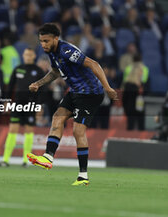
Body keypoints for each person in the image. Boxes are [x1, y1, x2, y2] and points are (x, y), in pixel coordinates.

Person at [27, 23, 117, 186]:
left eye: (46, 41)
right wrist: (39, 83)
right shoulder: (52, 52)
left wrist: (108, 87)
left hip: (90, 93)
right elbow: (55, 72)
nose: (43, 45)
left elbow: (93, 64)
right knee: (57, 118)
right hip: (75, 92)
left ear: (56, 38)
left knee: (77, 131)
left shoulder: (66, 50)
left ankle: (83, 176)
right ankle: (48, 158)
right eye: (41, 41)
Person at [0, 48, 44, 167]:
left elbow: (42, 91)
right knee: (12, 129)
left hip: (31, 104)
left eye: (30, 54)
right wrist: (6, 102)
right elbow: (10, 87)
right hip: (18, 104)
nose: (27, 56)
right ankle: (5, 159)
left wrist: (39, 105)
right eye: (26, 54)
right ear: (23, 55)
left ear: (34, 55)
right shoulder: (18, 69)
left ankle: (26, 160)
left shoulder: (38, 71)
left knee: (29, 131)